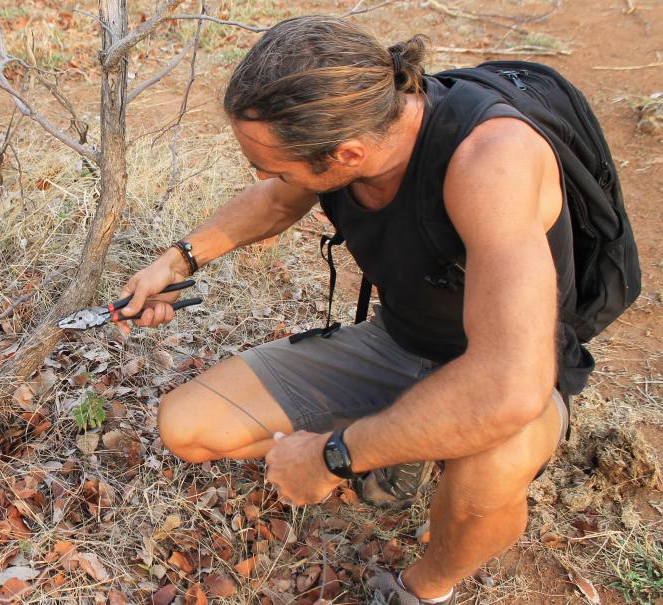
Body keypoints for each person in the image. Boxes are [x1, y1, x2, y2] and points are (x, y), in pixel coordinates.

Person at [116, 16, 574, 605]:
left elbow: (509, 386)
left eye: (275, 164)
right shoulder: (351, 136)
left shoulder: (491, 163)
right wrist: (176, 263)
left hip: (515, 367)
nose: (263, 177)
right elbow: (279, 200)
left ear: (347, 154)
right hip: (402, 341)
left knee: (487, 475)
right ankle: (406, 443)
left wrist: (335, 456)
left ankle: (423, 589)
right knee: (188, 426)